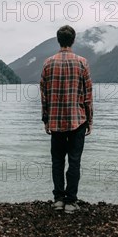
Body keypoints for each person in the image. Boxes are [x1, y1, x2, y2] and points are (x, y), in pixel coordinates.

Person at [40, 25, 93, 214]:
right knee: (74, 161)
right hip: (77, 120)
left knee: (57, 161)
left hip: (56, 121)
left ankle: (58, 200)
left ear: (58, 40)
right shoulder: (82, 63)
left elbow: (44, 95)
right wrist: (90, 119)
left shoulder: (48, 63)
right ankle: (71, 201)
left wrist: (45, 119)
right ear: (73, 41)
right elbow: (87, 95)